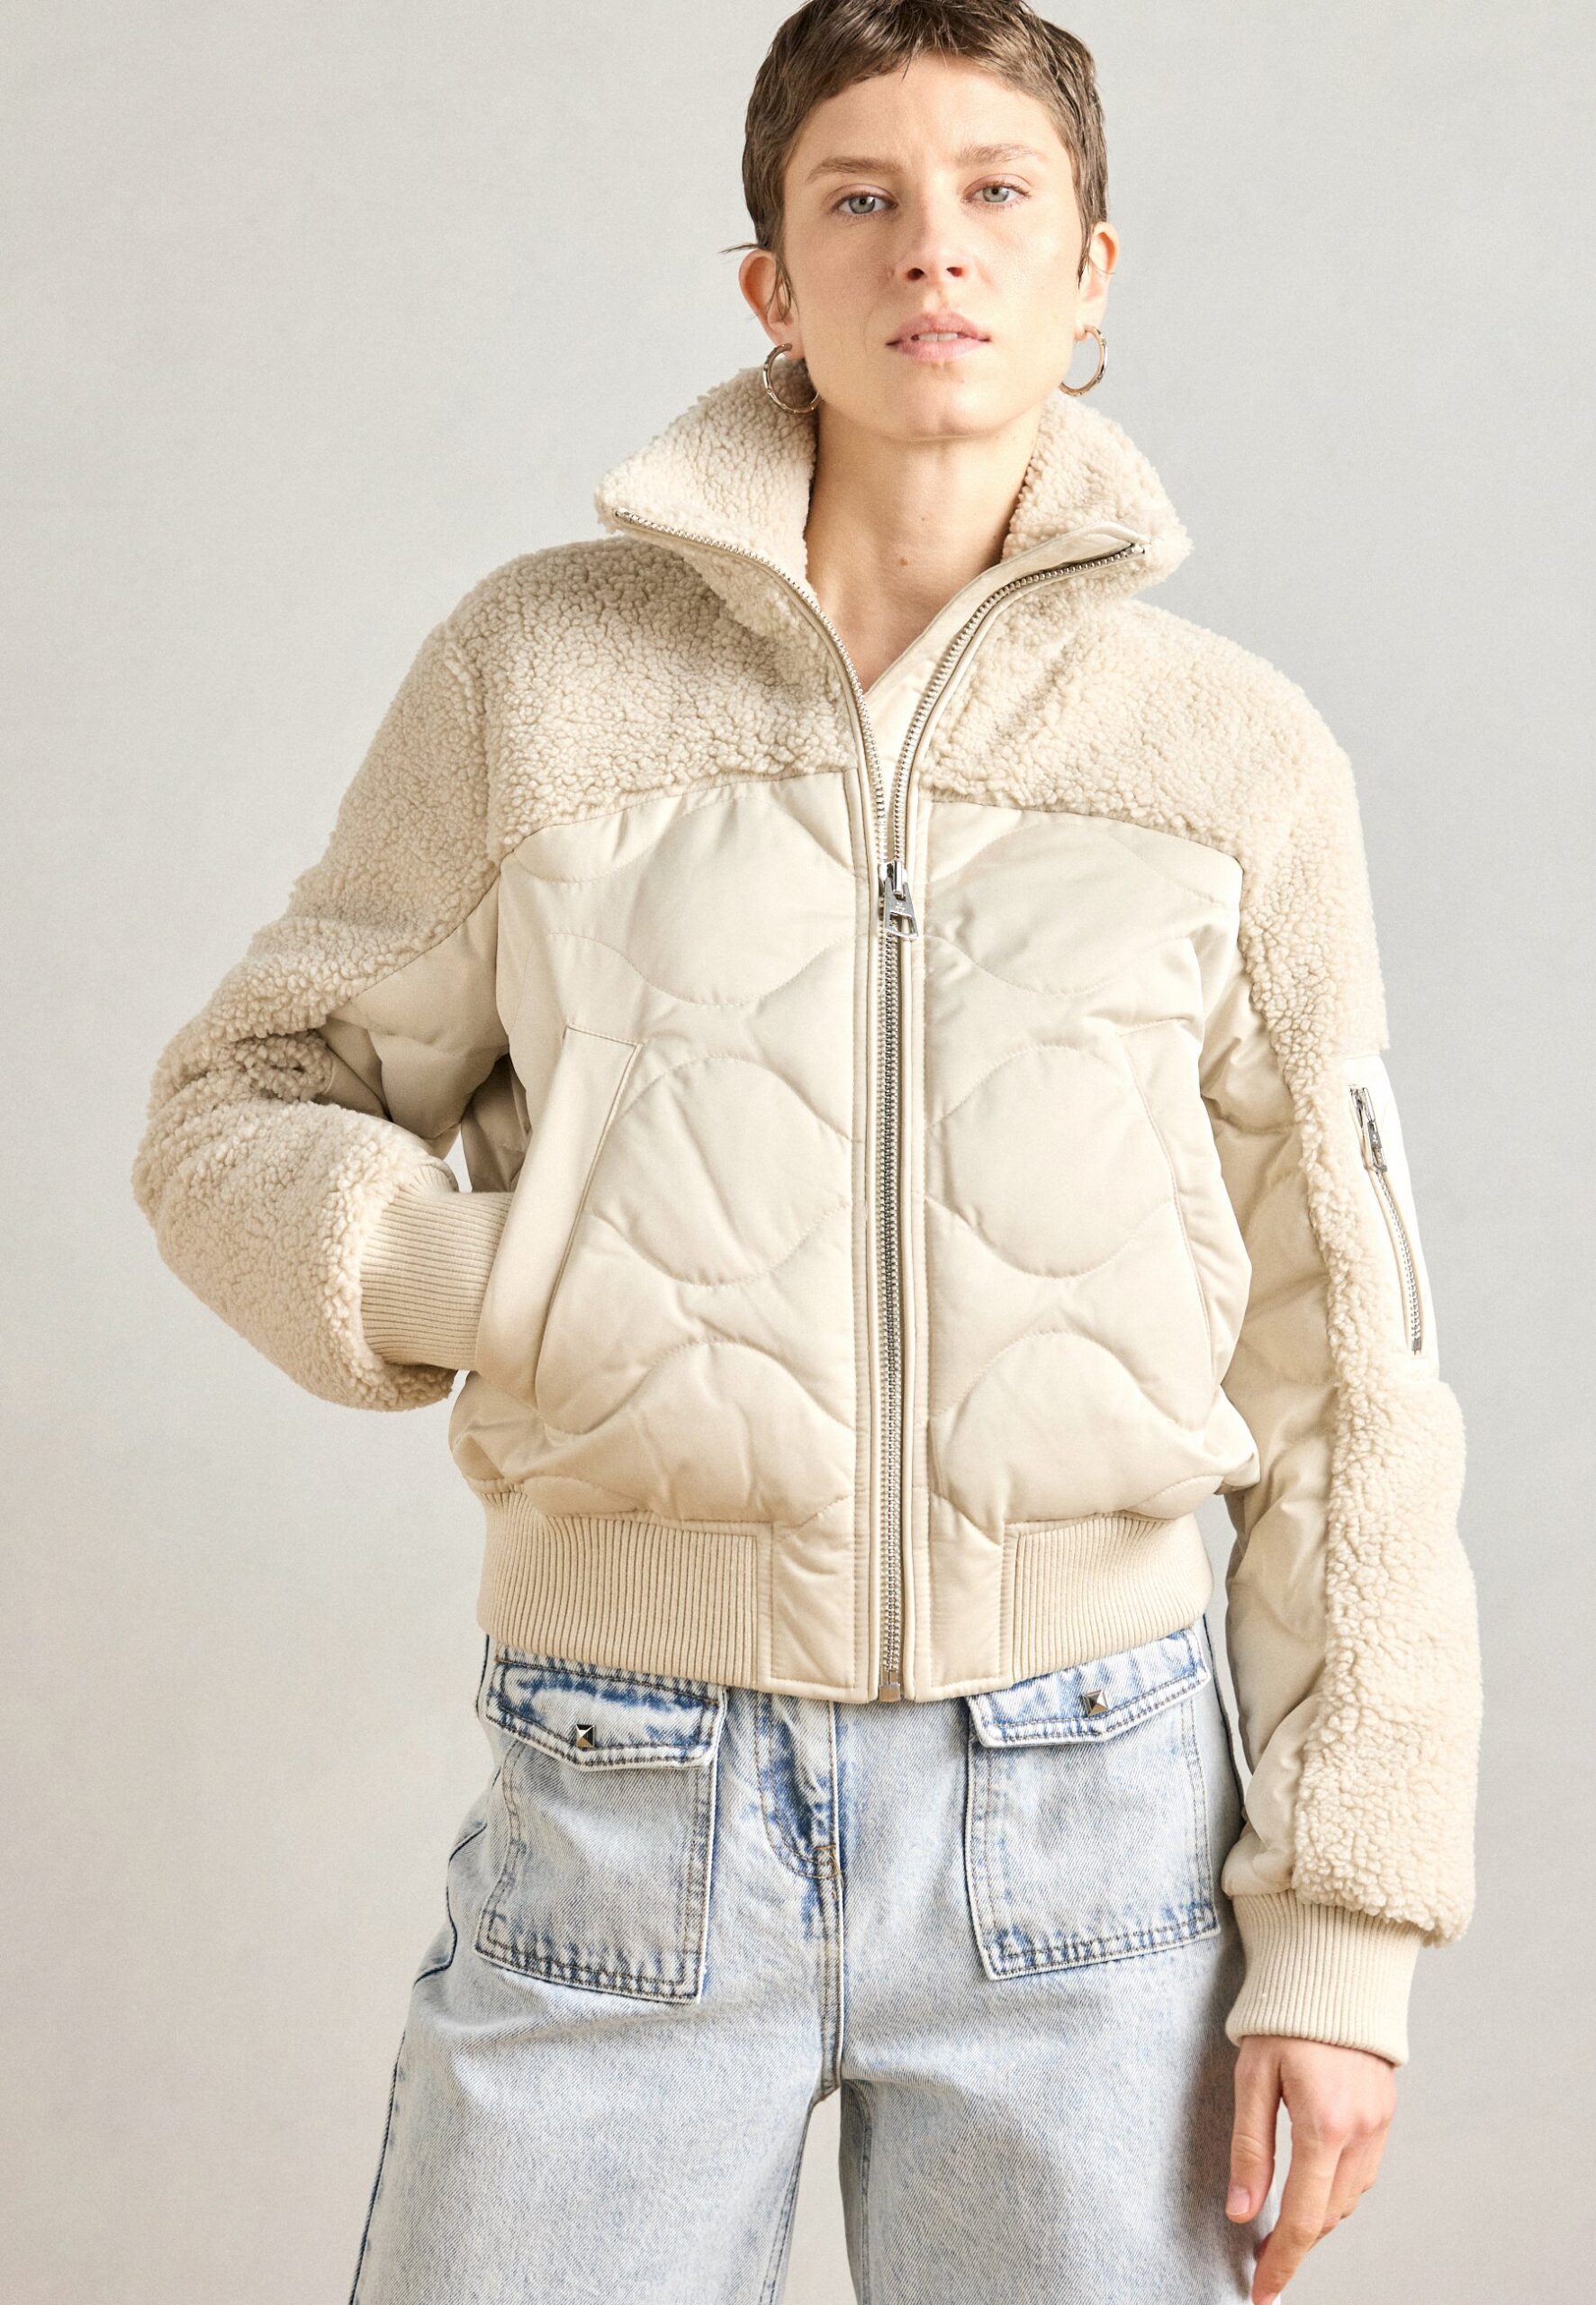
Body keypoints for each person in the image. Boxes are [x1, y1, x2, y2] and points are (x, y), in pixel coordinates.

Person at [130, 5, 1482, 2301]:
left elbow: (1349, 1375)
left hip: (1091, 1825)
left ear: (1088, 269)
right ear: (770, 281)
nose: (929, 248)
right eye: (859, 197)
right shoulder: (541, 677)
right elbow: (230, 1107)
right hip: (625, 1795)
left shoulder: (1227, 761)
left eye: (994, 193)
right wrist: (498, 1278)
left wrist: (1340, 1938)